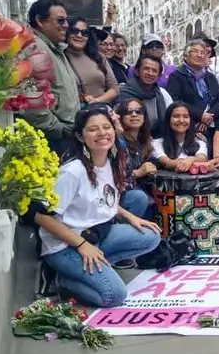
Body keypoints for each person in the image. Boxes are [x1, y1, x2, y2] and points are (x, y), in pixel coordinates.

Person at [33, 105, 161, 307]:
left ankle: (95, 266)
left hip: (96, 235)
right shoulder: (72, 172)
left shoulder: (109, 162)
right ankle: (62, 281)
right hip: (66, 246)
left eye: (106, 127)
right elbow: (42, 216)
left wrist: (130, 216)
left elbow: (103, 197)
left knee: (150, 236)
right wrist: (82, 246)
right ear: (81, 137)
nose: (102, 133)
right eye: (93, 129)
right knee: (114, 295)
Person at [20, 0, 81, 159]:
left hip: (63, 135)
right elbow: (31, 99)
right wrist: (57, 129)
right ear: (40, 21)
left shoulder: (54, 49)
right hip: (51, 139)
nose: (66, 26)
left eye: (67, 21)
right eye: (60, 21)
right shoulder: (35, 47)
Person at [165, 38, 219, 145]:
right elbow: (174, 100)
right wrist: (200, 115)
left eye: (203, 53)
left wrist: (209, 116)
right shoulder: (177, 76)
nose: (199, 55)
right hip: (188, 124)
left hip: (211, 123)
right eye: (195, 51)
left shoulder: (209, 76)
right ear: (186, 55)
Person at [114, 99, 158, 214]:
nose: (134, 115)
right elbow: (114, 177)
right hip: (121, 195)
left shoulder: (145, 140)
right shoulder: (118, 141)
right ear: (121, 117)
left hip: (140, 189)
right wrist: (137, 173)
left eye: (138, 111)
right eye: (129, 112)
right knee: (141, 198)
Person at [117, 55, 173, 137]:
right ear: (137, 71)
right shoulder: (123, 93)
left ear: (159, 76)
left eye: (154, 70)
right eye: (146, 69)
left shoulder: (160, 94)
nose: (150, 73)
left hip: (156, 139)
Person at [152, 102, 212, 172]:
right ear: (168, 119)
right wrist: (189, 162)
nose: (181, 120)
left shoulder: (199, 142)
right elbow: (166, 163)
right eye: (176, 116)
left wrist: (191, 159)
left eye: (186, 116)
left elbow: (202, 158)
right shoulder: (156, 143)